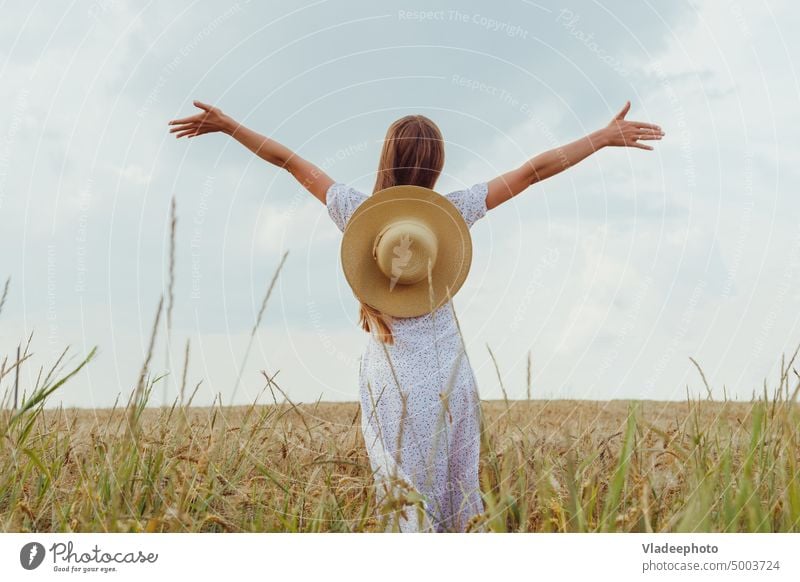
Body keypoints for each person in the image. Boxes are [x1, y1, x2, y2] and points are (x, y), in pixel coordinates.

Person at [168, 100, 664, 531]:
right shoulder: (454, 213)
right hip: (450, 381)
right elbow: (533, 171)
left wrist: (230, 127)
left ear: (386, 157)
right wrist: (600, 138)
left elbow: (288, 161)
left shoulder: (353, 211)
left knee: (402, 498)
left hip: (390, 382)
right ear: (438, 165)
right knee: (456, 494)